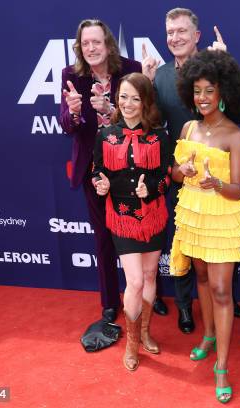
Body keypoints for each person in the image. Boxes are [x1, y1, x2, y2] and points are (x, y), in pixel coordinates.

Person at [59, 19, 168, 341]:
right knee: (103, 238)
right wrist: (75, 112)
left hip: (136, 168)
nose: (91, 48)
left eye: (96, 42)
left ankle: (154, 296)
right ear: (80, 48)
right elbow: (67, 124)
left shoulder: (131, 69)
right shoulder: (71, 77)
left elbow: (150, 113)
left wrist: (121, 101)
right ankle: (109, 302)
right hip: (97, 170)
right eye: (85, 44)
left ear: (108, 44)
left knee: (147, 226)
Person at [151, 7, 240, 335]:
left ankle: (225, 302)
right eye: (170, 33)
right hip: (182, 171)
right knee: (187, 252)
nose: (175, 38)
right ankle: (185, 309)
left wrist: (227, 62)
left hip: (216, 175)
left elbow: (237, 112)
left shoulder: (215, 67)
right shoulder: (161, 75)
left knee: (218, 250)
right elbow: (152, 122)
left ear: (196, 35)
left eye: (181, 31)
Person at [170, 49, 240, 403]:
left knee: (221, 290)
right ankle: (209, 335)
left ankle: (221, 368)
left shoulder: (235, 136)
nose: (202, 98)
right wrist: (181, 173)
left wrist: (216, 184)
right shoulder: (188, 128)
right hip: (193, 213)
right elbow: (174, 174)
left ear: (223, 93)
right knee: (200, 279)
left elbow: (237, 190)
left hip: (221, 217)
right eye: (197, 91)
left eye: (209, 91)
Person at [92, 72, 171, 370]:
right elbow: (97, 170)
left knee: (150, 277)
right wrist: (101, 184)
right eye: (123, 96)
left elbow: (165, 176)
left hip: (153, 215)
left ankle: (146, 332)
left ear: (145, 102)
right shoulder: (106, 134)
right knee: (135, 281)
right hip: (122, 217)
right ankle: (132, 343)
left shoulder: (159, 136)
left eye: (135, 98)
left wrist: (149, 189)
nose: (127, 103)